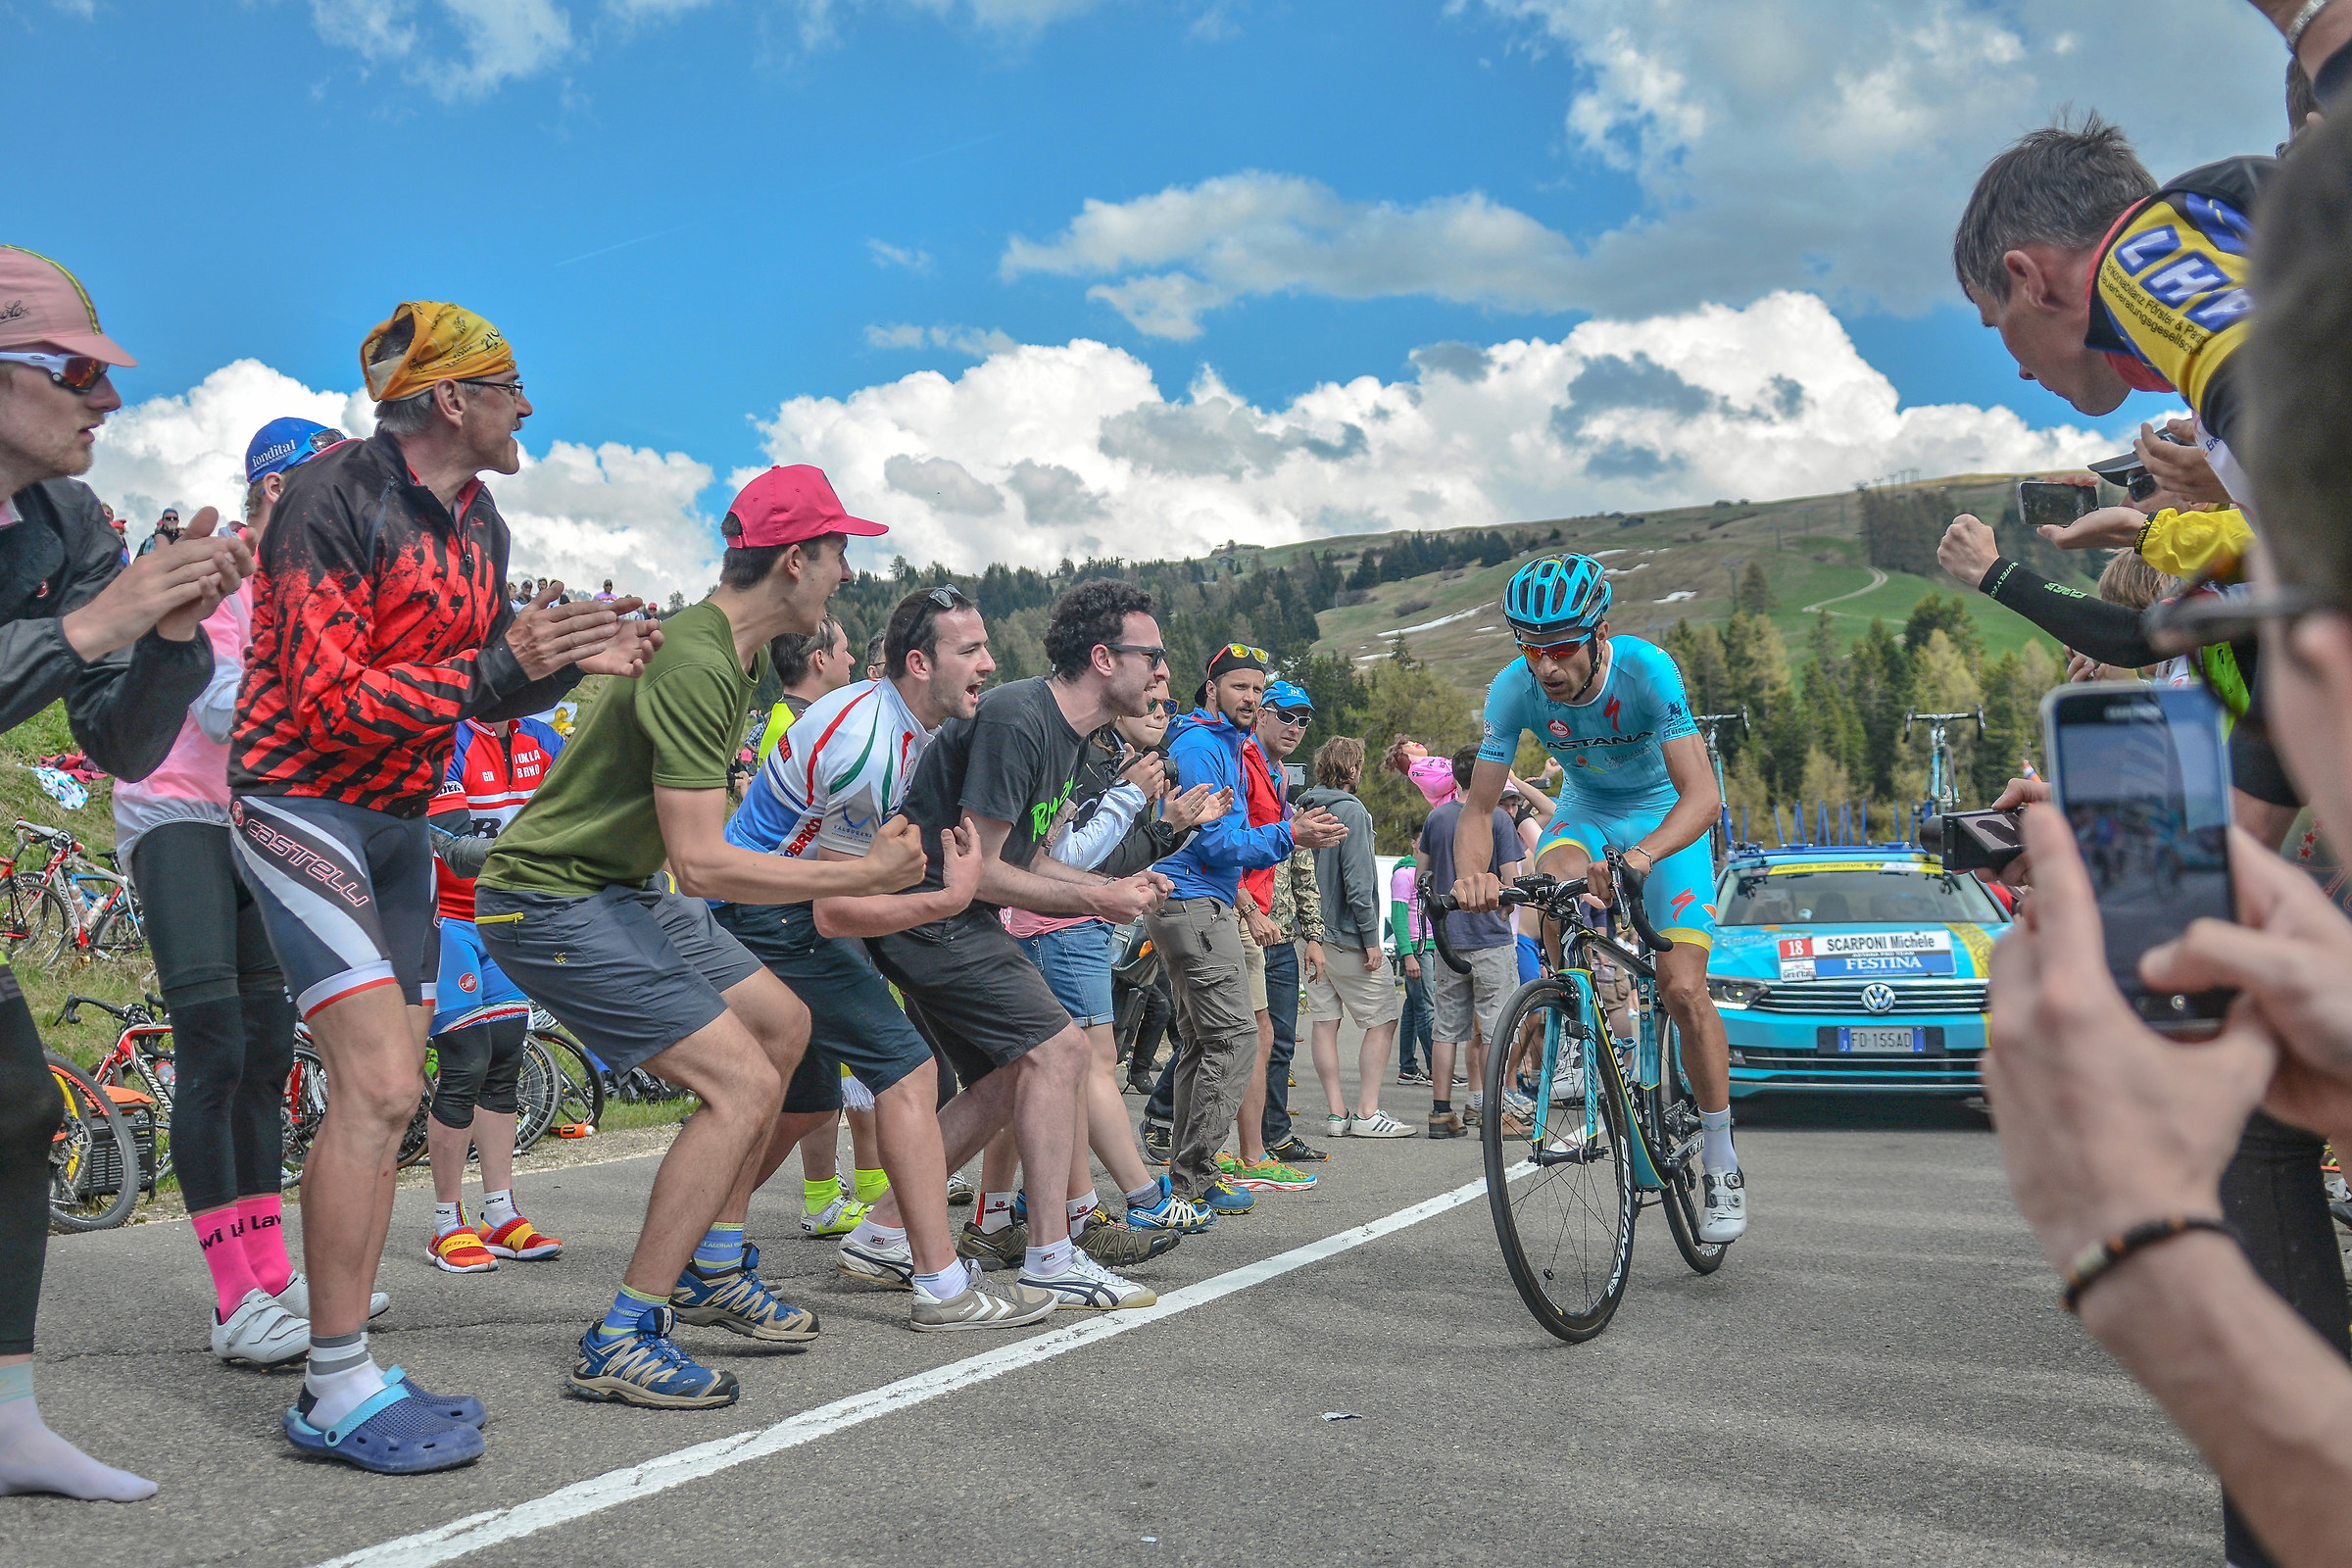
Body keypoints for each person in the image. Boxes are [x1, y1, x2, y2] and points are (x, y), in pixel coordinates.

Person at [1986, 99, 2352, 1568]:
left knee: (2248, 1130)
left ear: (2027, 274)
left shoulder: (2151, 248)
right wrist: (2229, 849)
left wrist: (2140, 1251)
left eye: (1997, 326)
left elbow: (2299, 436)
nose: (2014, 359)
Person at [232, 300, 659, 1470]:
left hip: (397, 821)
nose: (530, 406)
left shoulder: (488, 529)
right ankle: (330, 1384)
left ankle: (347, 1367)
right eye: (512, 384)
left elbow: (482, 692)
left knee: (396, 1091)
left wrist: (564, 660)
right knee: (373, 1088)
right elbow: (329, 694)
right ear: (452, 399)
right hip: (297, 796)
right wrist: (497, 667)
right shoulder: (329, 496)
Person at [478, 465, 933, 1400]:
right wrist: (863, 874)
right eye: (840, 551)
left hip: (617, 887)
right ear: (796, 560)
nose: (848, 572)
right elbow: (704, 863)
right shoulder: (695, 658)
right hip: (550, 895)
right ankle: (626, 1330)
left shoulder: (716, 653)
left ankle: (712, 1263)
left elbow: (694, 851)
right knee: (740, 1081)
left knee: (783, 1027)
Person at [0, 243, 254, 1499]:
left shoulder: (66, 520)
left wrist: (161, 638)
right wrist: (98, 624)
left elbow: (116, 735)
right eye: (76, 375)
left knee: (18, 1107)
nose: (108, 402)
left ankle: (7, 1424)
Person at [710, 581, 1059, 1331]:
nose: (990, 663)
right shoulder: (865, 747)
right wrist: (944, 901)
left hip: (790, 904)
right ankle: (938, 1284)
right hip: (770, 911)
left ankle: (706, 1252)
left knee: (804, 1100)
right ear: (918, 663)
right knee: (908, 1073)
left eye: (986, 646)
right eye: (970, 650)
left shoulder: (921, 725)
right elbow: (839, 909)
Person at [866, 580, 1173, 1309]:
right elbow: (982, 874)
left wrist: (1108, 886)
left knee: (1010, 1079)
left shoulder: (1065, 731)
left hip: (942, 912)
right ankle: (1050, 1255)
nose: (1162, 671)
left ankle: (882, 1232)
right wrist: (1096, 896)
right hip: (928, 912)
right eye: (1151, 655)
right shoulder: (1019, 717)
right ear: (1104, 658)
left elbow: (1028, 860)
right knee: (1061, 1052)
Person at [115, 417, 340, 1371]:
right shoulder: (223, 568)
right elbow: (213, 704)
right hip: (174, 812)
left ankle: (274, 1272)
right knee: (212, 1048)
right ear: (278, 492)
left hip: (250, 819)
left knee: (260, 1053)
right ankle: (232, 1297)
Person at [1449, 555, 1745, 1242]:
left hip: (1664, 821)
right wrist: (1475, 875)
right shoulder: (1513, 689)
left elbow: (1704, 798)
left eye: (1560, 648)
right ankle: (1572, 1013)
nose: (1546, 666)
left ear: (1599, 632)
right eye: (1531, 649)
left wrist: (1640, 858)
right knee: (1550, 880)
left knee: (1681, 990)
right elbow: (1477, 809)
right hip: (1584, 812)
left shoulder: (1646, 670)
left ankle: (1723, 1157)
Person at [1146, 646, 1347, 1214]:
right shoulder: (1202, 746)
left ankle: (1189, 1176)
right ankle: (1192, 1178)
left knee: (1205, 1042)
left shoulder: (1225, 745)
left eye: (1258, 691)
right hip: (1191, 903)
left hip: (1199, 903)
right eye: (1239, 688)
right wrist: (1292, 834)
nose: (1251, 699)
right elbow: (1210, 841)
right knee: (1235, 1040)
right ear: (1211, 689)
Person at [744, 611, 883, 1237]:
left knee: (828, 1068)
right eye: (846, 652)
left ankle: (863, 1187)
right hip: (787, 911)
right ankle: (823, 1194)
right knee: (821, 1064)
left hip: (810, 903)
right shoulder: (793, 726)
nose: (852, 664)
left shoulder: (824, 721)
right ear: (819, 659)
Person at [418, 708, 567, 1275]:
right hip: (445, 921)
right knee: (467, 1061)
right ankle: (445, 1223)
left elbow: (575, 812)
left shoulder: (542, 738)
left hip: (504, 919)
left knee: (506, 1057)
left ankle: (499, 1213)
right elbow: (455, 843)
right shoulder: (449, 738)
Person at [1296, 735, 1412, 1138]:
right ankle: (1366, 1112)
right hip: (1346, 933)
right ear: (1353, 768)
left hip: (1307, 935)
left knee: (1325, 1022)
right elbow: (1359, 885)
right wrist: (1372, 940)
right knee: (1383, 1018)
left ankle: (1335, 1113)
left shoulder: (1302, 806)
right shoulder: (1353, 814)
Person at [1237, 680, 1324, 1170]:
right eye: (1287, 716)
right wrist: (1249, 908)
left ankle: (1272, 1136)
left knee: (1274, 1036)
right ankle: (1176, 1131)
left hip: (1278, 924)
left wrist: (1313, 934)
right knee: (1237, 1035)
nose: (1296, 727)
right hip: (1246, 913)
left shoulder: (1280, 776)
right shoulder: (1243, 757)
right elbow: (1222, 842)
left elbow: (1295, 860)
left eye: (1304, 720)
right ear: (1263, 715)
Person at [1416, 746, 1523, 1138]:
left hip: (1448, 937)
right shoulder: (1497, 819)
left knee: (1447, 1028)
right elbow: (1511, 882)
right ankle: (1501, 1113)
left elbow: (1420, 877)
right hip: (1490, 938)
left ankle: (1440, 1113)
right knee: (1499, 1025)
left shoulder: (1436, 817)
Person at [1391, 853, 1434, 1085]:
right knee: (1427, 1007)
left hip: (1431, 946)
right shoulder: (1404, 874)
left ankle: (1407, 1067)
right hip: (1417, 949)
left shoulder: (1434, 872)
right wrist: (1408, 955)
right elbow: (1398, 916)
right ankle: (1437, 1069)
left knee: (1413, 1006)